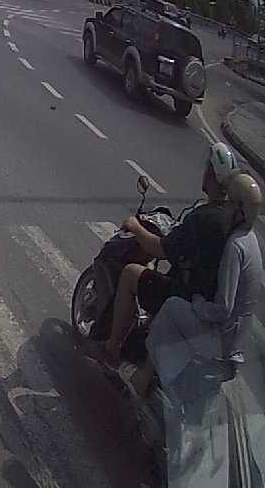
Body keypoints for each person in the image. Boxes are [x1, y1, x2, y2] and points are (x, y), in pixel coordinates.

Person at [101, 143, 238, 364]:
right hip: (208, 297)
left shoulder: (204, 217)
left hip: (185, 294)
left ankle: (112, 348)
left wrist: (135, 227)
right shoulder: (230, 217)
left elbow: (160, 249)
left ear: (212, 176)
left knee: (130, 274)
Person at [140, 172, 263, 396]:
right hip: (235, 343)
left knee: (171, 306)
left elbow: (223, 308)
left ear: (238, 210)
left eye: (229, 203)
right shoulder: (250, 240)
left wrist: (198, 304)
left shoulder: (235, 246)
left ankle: (143, 378)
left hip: (219, 341)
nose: (225, 208)